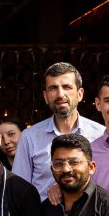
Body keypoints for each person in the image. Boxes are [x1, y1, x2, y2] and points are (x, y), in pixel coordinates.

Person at [13, 62, 103, 200]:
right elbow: (19, 189)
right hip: (41, 212)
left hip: (91, 212)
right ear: (45, 96)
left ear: (80, 94)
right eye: (53, 88)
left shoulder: (100, 134)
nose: (60, 94)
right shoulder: (29, 137)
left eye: (67, 87)